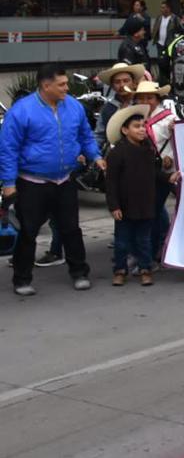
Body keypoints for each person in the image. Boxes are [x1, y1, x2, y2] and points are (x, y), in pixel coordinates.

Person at [0, 64, 104, 295]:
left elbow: (85, 135)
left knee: (71, 229)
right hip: (32, 183)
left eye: (66, 83)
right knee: (28, 231)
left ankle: (79, 272)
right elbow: (7, 149)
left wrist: (96, 156)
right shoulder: (21, 111)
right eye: (62, 84)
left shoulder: (74, 107)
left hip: (65, 180)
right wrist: (8, 184)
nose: (67, 88)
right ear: (46, 85)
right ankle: (22, 279)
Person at [104, 106, 178, 287]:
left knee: (144, 240)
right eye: (136, 126)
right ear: (124, 130)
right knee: (122, 241)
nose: (142, 129)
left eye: (143, 126)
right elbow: (111, 182)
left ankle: (145, 269)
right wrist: (114, 206)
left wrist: (169, 176)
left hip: (146, 204)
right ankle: (120, 270)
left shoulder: (148, 151)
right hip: (124, 206)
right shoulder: (116, 153)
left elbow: (153, 173)